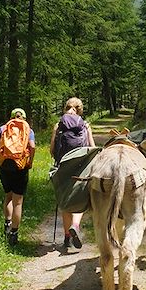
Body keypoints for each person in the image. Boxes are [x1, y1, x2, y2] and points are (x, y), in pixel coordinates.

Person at [49, 97, 95, 249]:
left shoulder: (58, 125)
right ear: (80, 110)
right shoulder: (85, 125)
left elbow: (51, 149)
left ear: (66, 108)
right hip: (81, 165)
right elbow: (92, 147)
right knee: (80, 198)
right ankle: (75, 225)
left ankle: (67, 238)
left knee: (65, 199)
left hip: (63, 164)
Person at [0, 107, 36, 246]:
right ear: (24, 117)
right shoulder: (28, 130)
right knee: (18, 201)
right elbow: (32, 147)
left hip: (4, 165)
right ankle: (14, 233)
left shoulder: (2, 129)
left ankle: (7, 223)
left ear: (11, 117)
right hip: (21, 166)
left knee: (8, 196)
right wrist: (30, 162)